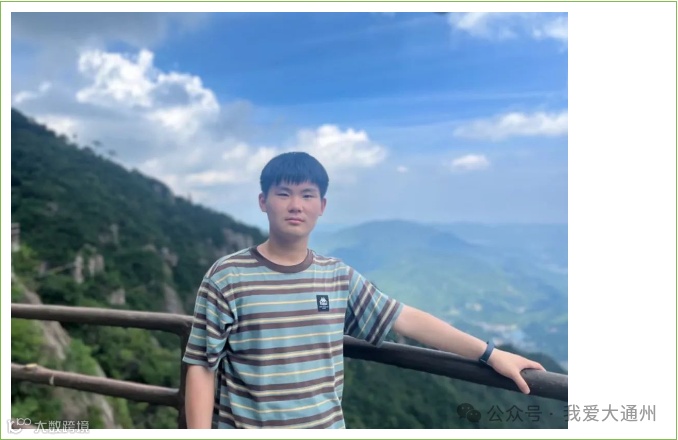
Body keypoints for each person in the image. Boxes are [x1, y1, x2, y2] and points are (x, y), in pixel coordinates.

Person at [182, 151, 545, 429]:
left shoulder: (337, 276)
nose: (295, 205)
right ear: (264, 201)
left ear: (322, 206)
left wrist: (490, 354)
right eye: (283, 193)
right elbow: (201, 365)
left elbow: (406, 319)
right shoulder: (227, 276)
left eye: (307, 195)